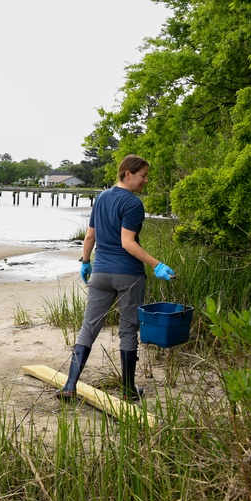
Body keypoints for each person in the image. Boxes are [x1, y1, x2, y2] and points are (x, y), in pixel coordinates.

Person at [56, 154, 176, 402]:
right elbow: (127, 243)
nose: (145, 181)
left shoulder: (101, 198)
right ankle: (128, 390)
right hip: (127, 274)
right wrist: (157, 265)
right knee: (128, 329)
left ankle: (69, 385)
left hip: (100, 273)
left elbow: (90, 237)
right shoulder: (132, 204)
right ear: (127, 174)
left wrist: (86, 262)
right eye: (143, 176)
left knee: (88, 327)